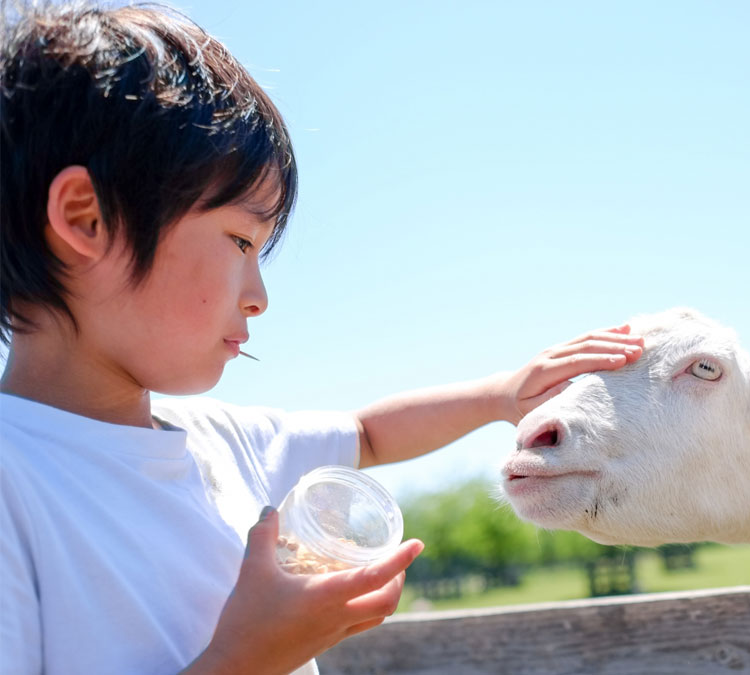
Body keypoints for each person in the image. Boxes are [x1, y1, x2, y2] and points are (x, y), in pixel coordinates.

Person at [0, 3, 643, 674]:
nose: (260, 295)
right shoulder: (15, 484)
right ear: (86, 218)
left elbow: (367, 435)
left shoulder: (222, 440)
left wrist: (501, 395)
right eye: (240, 240)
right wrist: (247, 658)